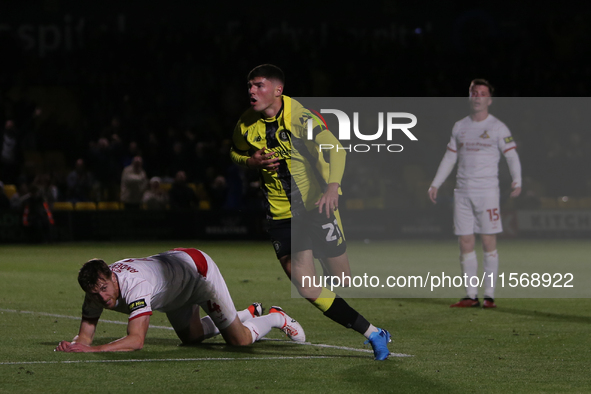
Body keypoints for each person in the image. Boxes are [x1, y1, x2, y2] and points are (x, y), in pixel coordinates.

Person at [230, 64, 391, 360]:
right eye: (250, 85)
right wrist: (251, 162)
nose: (252, 91)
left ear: (278, 90)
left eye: (259, 85)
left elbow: (337, 149)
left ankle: (367, 322)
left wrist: (332, 188)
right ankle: (373, 333)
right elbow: (235, 152)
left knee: (342, 280)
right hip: (281, 215)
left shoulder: (301, 118)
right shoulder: (245, 123)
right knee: (307, 287)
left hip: (317, 206)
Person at [55, 247, 305, 352]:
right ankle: (246, 313)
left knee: (238, 341)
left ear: (112, 275)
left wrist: (95, 349)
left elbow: (136, 340)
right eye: (95, 293)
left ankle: (275, 317)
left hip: (198, 275)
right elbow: (85, 337)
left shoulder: (136, 286)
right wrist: (75, 344)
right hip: (173, 287)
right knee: (192, 338)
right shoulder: (94, 291)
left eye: (104, 288)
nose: (102, 297)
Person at [428, 79, 522, 309]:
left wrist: (517, 179)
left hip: (487, 192)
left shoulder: (498, 127)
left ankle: (489, 296)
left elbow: (511, 156)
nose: (477, 97)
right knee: (465, 241)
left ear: (489, 100)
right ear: (470, 97)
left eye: (482, 93)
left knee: (488, 240)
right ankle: (471, 295)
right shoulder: (460, 126)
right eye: (474, 93)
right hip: (462, 192)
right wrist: (435, 183)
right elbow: (450, 157)